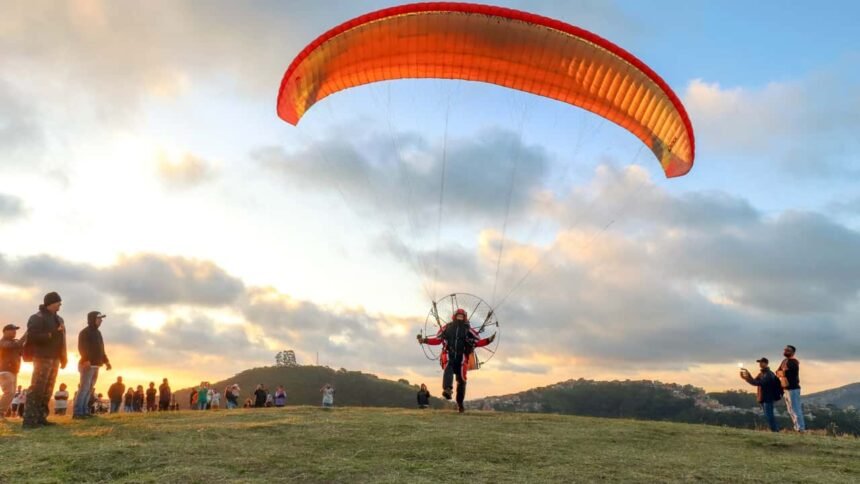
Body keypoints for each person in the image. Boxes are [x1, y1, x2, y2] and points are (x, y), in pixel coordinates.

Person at [418, 308, 495, 413]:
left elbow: (476, 342)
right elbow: (437, 340)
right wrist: (424, 340)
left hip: (462, 358)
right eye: (458, 315)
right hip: (449, 354)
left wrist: (488, 341)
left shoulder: (468, 330)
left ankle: (460, 404)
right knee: (448, 366)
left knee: (462, 380)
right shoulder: (447, 328)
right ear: (454, 316)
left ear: (464, 318)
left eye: (462, 316)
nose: (460, 317)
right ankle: (447, 389)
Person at [22, 292, 68, 428]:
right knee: (37, 388)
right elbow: (32, 337)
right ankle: (30, 421)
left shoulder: (59, 319)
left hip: (55, 358)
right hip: (42, 357)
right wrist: (53, 332)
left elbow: (62, 340)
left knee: (48, 390)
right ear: (50, 303)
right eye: (58, 302)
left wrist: (63, 357)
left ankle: (41, 418)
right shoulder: (37, 317)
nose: (60, 304)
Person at [74, 311, 111, 420]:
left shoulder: (98, 333)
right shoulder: (84, 332)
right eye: (99, 318)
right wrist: (86, 360)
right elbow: (81, 347)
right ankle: (77, 412)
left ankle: (85, 411)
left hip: (96, 365)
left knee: (89, 389)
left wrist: (106, 361)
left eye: (101, 319)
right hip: (87, 365)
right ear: (92, 319)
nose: (101, 320)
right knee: (84, 388)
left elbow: (101, 349)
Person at [740, 358, 782, 432]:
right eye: (759, 362)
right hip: (764, 398)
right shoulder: (762, 373)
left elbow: (758, 383)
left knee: (769, 416)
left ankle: (775, 430)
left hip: (768, 398)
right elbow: (755, 381)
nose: (760, 364)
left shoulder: (768, 374)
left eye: (762, 362)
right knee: (768, 415)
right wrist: (748, 375)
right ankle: (774, 430)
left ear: (766, 364)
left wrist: (746, 378)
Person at [776, 344, 805, 432]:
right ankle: (796, 427)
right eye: (785, 350)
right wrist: (782, 373)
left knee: (795, 409)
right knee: (790, 410)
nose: (785, 351)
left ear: (792, 352)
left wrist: (782, 373)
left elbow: (787, 373)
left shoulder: (794, 362)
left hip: (793, 389)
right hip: (786, 388)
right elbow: (777, 372)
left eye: (788, 350)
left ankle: (801, 428)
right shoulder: (784, 361)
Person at [0, 324, 25, 421]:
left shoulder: (14, 342)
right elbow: (16, 346)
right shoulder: (3, 342)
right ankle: (0, 412)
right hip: (4, 371)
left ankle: (2, 413)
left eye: (15, 330)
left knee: (12, 392)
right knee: (9, 392)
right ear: (5, 331)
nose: (15, 332)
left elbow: (21, 351)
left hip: (14, 371)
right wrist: (27, 334)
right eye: (12, 330)